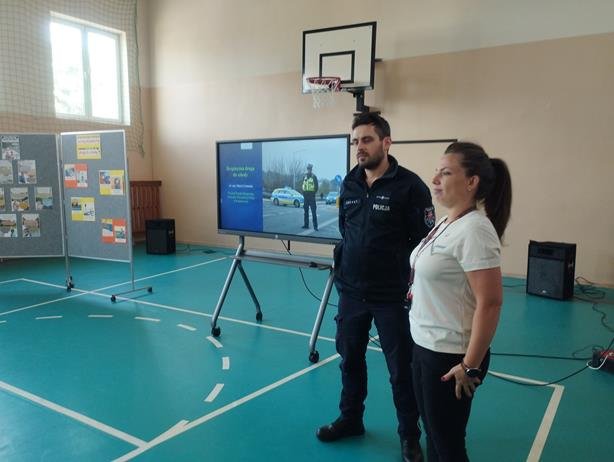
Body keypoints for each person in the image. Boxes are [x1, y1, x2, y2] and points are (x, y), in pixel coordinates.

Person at [316, 112, 435, 462]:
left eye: (366, 140)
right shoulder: (349, 183)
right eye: (356, 141)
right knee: (350, 361)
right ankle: (351, 419)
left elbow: (424, 242)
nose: (359, 147)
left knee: (401, 371)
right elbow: (346, 229)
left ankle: (409, 436)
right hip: (351, 292)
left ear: (386, 143)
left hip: (392, 297)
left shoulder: (411, 187)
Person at [408, 142, 512, 461]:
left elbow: (490, 303)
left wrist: (470, 365)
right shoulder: (447, 222)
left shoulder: (475, 230)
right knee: (434, 436)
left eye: (445, 173)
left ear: (471, 181)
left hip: (450, 356)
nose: (435, 179)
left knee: (448, 445)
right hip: (425, 345)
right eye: (436, 172)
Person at [301, 163, 319, 230]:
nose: (309, 170)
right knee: (306, 212)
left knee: (313, 212)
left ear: (311, 169)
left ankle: (315, 226)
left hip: (311, 197)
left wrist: (313, 194)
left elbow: (316, 187)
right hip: (306, 197)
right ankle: (306, 225)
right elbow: (303, 186)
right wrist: (303, 193)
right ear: (307, 169)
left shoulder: (314, 177)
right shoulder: (304, 177)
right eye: (308, 169)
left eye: (310, 169)